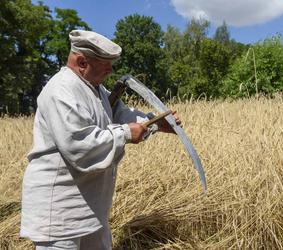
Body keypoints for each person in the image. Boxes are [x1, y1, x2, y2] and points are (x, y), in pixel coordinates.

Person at [20, 30, 180, 250]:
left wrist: (154, 122)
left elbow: (119, 113)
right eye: (105, 64)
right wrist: (125, 134)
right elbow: (79, 145)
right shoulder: (61, 90)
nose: (111, 70)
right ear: (82, 62)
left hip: (91, 207)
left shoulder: (96, 89)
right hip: (60, 212)